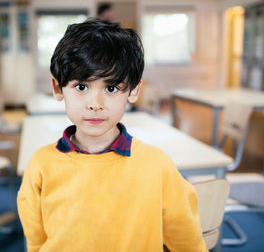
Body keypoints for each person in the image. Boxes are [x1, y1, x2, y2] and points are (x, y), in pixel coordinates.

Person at [17, 18, 207, 252]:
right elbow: (35, 242)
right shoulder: (41, 166)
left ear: (134, 90)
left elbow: (186, 239)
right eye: (81, 87)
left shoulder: (158, 166)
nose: (95, 104)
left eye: (111, 88)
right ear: (58, 88)